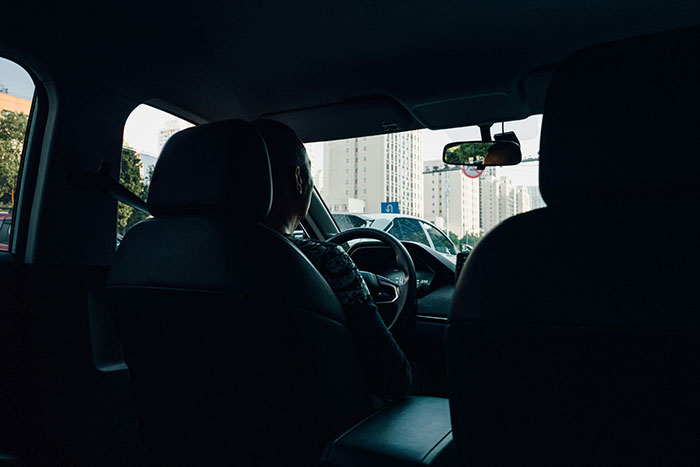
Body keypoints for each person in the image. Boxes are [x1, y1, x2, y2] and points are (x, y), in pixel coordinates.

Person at [253, 119, 414, 400]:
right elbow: (393, 379)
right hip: (320, 429)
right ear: (298, 180)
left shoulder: (174, 254)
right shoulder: (327, 261)